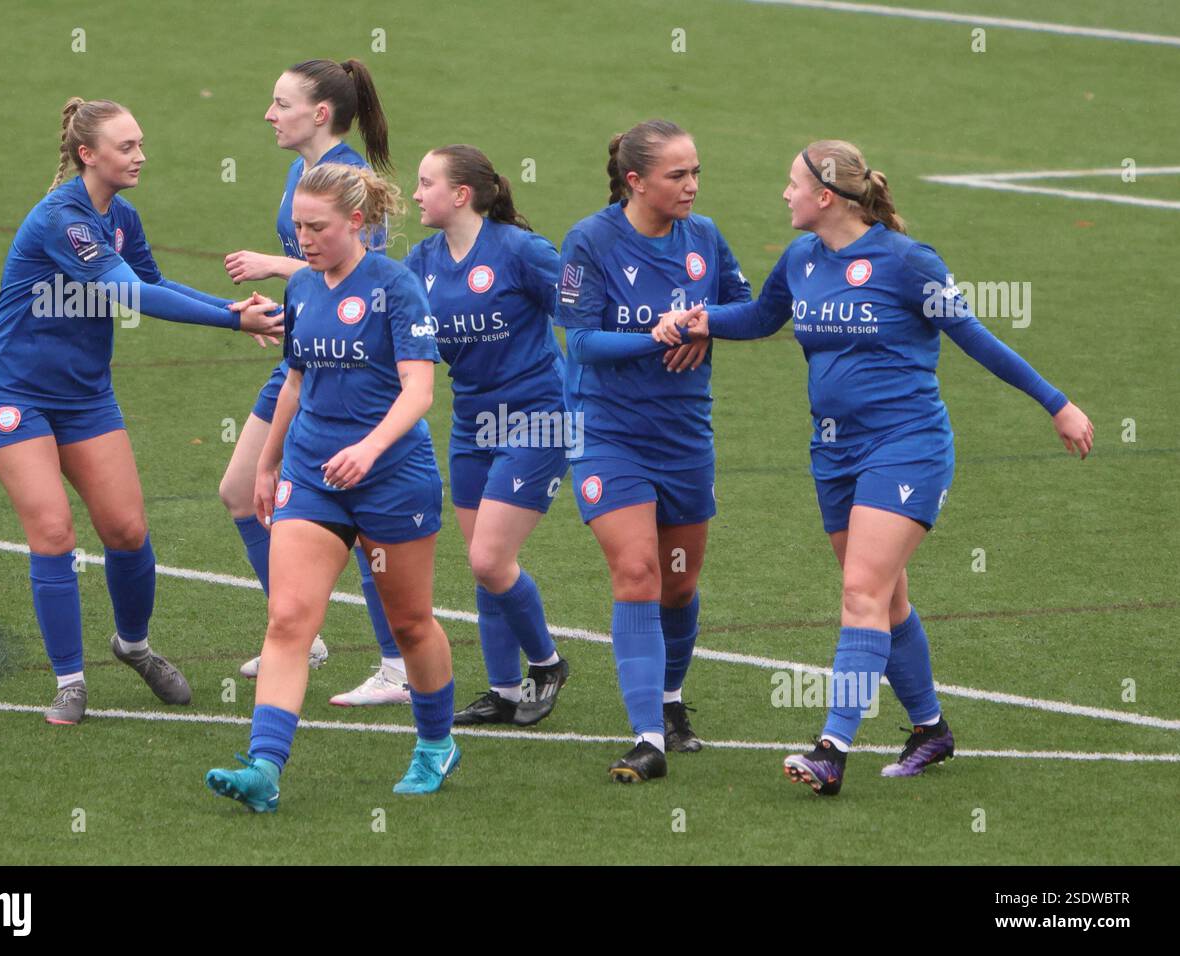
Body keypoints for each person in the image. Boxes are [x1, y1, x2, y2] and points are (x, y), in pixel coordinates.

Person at [654, 139, 1094, 795]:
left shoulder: (906, 263)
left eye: (792, 184)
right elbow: (760, 316)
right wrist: (700, 321)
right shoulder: (802, 259)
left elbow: (976, 337)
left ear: (825, 196)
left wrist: (1056, 404)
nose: (784, 194)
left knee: (861, 590)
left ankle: (831, 748)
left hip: (907, 446)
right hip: (833, 451)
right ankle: (930, 728)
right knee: (886, 600)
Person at [0, 97, 283, 726]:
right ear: (88, 155)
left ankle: (133, 646)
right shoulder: (65, 220)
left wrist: (233, 307)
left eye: (140, 143)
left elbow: (152, 281)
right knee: (54, 531)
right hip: (13, 394)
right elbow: (127, 293)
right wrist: (230, 319)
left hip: (84, 395)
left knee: (127, 532)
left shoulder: (121, 217)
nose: (140, 155)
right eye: (127, 147)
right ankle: (69, 680)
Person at [205, 162, 458, 808]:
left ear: (357, 222)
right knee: (288, 618)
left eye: (316, 227)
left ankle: (435, 744)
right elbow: (296, 379)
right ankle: (264, 766)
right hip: (313, 477)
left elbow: (419, 391)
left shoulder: (397, 289)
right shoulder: (303, 289)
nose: (305, 239)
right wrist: (267, 462)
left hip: (391, 480)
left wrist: (370, 448)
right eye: (297, 227)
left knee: (410, 623)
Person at [553, 120, 752, 783]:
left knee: (680, 582)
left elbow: (747, 309)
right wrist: (657, 336)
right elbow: (579, 342)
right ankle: (647, 738)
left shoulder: (706, 239)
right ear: (636, 181)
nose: (692, 185)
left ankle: (670, 702)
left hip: (685, 435)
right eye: (678, 175)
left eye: (696, 172)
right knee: (637, 573)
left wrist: (710, 325)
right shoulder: (591, 240)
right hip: (609, 434)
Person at [219, 58, 409, 707]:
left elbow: (374, 277)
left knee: (357, 520)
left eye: (281, 103)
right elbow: (322, 283)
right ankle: (300, 631)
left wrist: (276, 267)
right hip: (305, 361)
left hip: (352, 377)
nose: (269, 115)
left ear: (320, 113)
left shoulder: (352, 183)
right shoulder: (300, 172)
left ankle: (397, 666)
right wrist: (286, 315)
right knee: (241, 490)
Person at [404, 145, 570, 727]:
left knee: (489, 558)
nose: (416, 193)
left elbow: (582, 311)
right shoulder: (421, 261)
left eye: (426, 183)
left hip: (539, 417)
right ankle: (504, 692)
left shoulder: (520, 251)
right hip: (473, 423)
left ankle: (546, 664)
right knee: (485, 564)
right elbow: (367, 297)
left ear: (461, 195)